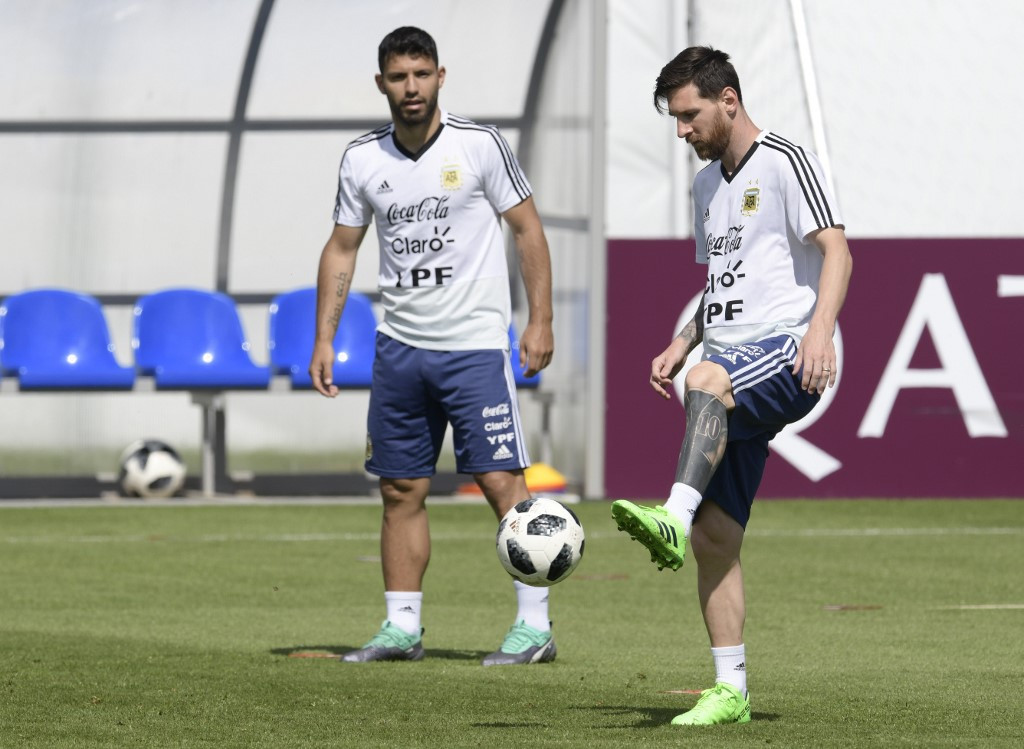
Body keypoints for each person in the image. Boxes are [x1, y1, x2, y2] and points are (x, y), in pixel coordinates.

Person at [611, 46, 852, 725]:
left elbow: (837, 248)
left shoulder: (784, 160)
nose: (681, 131)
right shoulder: (704, 188)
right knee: (719, 538)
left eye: (689, 117)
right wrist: (681, 338)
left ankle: (670, 516)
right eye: (675, 120)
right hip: (728, 358)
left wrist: (819, 329)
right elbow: (718, 286)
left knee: (708, 381)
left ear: (729, 101)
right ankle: (731, 688)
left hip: (783, 352)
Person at [311, 26, 555, 666]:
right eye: (399, 77)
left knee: (502, 483)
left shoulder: (480, 146)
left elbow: (527, 229)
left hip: (474, 347)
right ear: (382, 84)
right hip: (400, 351)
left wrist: (540, 320)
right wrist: (325, 338)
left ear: (440, 77)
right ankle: (401, 628)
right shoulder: (362, 158)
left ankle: (535, 629)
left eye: (421, 74)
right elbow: (342, 248)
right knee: (400, 489)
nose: (411, 88)